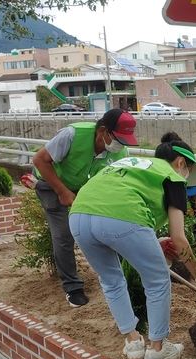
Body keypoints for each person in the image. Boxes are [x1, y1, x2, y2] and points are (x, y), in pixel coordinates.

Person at [68, 137, 196, 359]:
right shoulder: (173, 177)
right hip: (123, 217)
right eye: (188, 170)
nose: (187, 176)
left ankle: (133, 342)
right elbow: (179, 238)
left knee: (111, 280)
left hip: (79, 216)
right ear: (181, 162)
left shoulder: (134, 163)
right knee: (157, 280)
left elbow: (118, 200)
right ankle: (158, 350)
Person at [32, 109, 138, 307]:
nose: (121, 145)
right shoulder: (72, 135)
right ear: (103, 131)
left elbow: (116, 183)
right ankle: (72, 287)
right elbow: (39, 159)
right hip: (51, 182)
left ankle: (117, 275)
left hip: (83, 186)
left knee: (104, 226)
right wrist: (62, 191)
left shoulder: (120, 152)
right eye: (118, 138)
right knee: (64, 234)